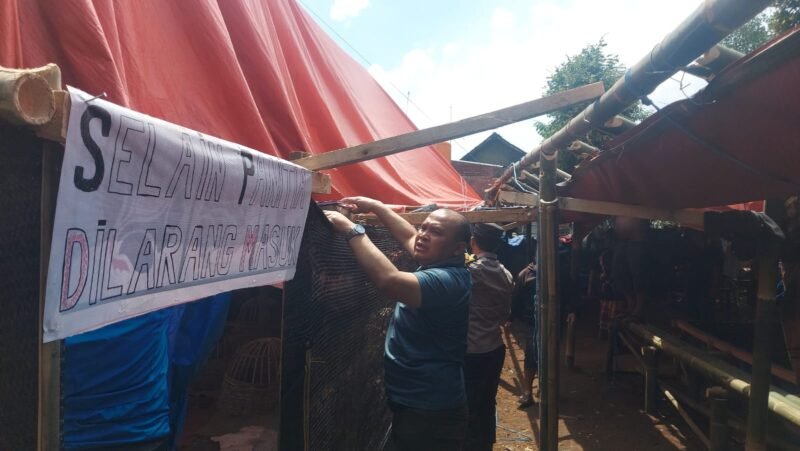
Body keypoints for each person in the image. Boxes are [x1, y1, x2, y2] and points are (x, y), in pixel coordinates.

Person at [324, 196, 472, 451]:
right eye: (423, 227)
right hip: (416, 399)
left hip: (429, 408)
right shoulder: (438, 260)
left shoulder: (448, 280)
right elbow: (409, 237)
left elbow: (389, 280)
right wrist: (378, 206)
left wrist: (352, 230)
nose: (423, 235)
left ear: (458, 249)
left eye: (434, 232)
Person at [464, 223, 513, 451]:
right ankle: (485, 444)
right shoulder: (506, 274)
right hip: (494, 348)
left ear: (473, 241)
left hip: (472, 351)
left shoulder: (471, 271)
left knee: (468, 403)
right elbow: (504, 317)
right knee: (487, 400)